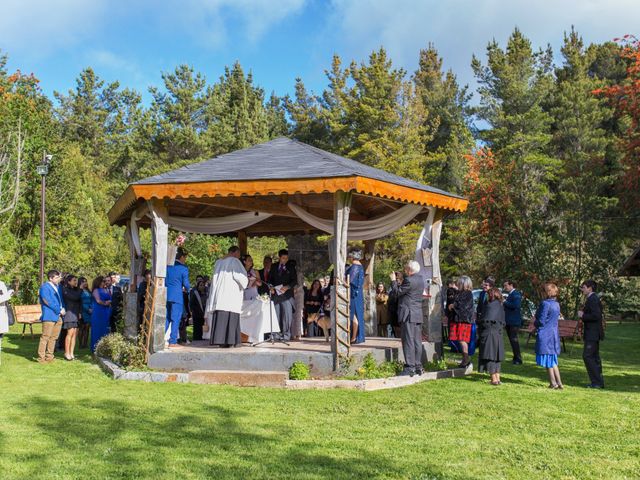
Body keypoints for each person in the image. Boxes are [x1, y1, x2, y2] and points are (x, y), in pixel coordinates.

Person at [205, 245, 248, 347]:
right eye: (238, 254)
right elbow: (241, 277)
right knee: (230, 316)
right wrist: (246, 280)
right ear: (236, 252)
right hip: (230, 295)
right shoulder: (234, 261)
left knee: (221, 317)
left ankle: (219, 340)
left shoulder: (218, 262)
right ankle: (230, 341)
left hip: (220, 296)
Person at [390, 260, 424, 376]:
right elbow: (407, 291)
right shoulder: (420, 279)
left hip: (408, 314)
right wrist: (401, 280)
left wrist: (393, 281)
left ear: (409, 270)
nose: (405, 271)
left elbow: (396, 293)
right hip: (417, 313)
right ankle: (418, 366)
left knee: (408, 341)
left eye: (406, 269)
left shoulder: (409, 280)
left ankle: (410, 367)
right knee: (417, 341)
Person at [534, 282, 563, 389]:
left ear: (547, 292)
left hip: (545, 334)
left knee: (548, 360)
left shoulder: (545, 304)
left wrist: (535, 323)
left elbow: (541, 320)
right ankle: (559, 383)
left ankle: (553, 383)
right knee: (553, 360)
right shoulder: (556, 304)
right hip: (553, 334)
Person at [579, 280, 605, 389]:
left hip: (593, 333)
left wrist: (583, 315)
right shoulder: (591, 298)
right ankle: (598, 381)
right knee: (594, 357)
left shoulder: (593, 299)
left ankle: (597, 382)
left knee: (588, 356)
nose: (582, 289)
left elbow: (596, 316)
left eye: (584, 287)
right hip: (592, 332)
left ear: (590, 288)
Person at [477, 287, 506, 385]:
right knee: (496, 357)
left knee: (490, 356)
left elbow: (485, 321)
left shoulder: (490, 306)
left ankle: (494, 379)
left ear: (492, 295)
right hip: (498, 334)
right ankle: (498, 378)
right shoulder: (500, 305)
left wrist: (479, 324)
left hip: (489, 333)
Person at [268, 249, 297, 341]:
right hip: (276, 294)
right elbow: (270, 279)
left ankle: (286, 335)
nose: (285, 260)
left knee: (286, 315)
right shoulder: (273, 266)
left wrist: (287, 287)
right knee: (276, 314)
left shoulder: (291, 267)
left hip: (287, 295)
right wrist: (271, 287)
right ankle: (276, 335)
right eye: (283, 258)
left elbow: (294, 281)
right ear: (279, 257)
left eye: (286, 258)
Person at [37, 270, 65, 363]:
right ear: (50, 278)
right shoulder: (45, 287)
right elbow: (47, 301)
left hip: (58, 316)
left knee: (54, 337)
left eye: (59, 277)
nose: (58, 279)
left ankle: (50, 356)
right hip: (49, 315)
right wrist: (58, 309)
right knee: (45, 337)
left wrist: (63, 308)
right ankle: (41, 357)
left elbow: (60, 300)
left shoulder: (58, 287)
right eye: (56, 277)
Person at [165, 249, 190, 348]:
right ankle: (173, 341)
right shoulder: (183, 268)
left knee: (167, 318)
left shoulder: (168, 267)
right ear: (182, 257)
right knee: (176, 318)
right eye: (185, 257)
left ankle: (159, 340)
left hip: (167, 295)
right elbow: (186, 284)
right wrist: (188, 290)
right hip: (177, 296)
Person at [449, 275, 474, 368]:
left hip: (464, 320)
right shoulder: (460, 293)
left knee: (462, 340)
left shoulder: (468, 293)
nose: (457, 284)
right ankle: (465, 359)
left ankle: (466, 359)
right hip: (458, 319)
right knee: (460, 340)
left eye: (459, 282)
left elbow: (464, 306)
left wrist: (453, 306)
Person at [346, 251, 366, 344]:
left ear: (351, 257)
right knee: (358, 314)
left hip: (353, 294)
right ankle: (357, 336)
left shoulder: (354, 267)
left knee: (353, 314)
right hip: (358, 294)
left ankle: (354, 337)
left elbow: (350, 280)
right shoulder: (361, 266)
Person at [61, 275, 82, 361]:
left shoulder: (76, 290)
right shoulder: (65, 289)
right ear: (69, 281)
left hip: (76, 313)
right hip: (69, 314)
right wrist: (80, 289)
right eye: (74, 280)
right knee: (69, 333)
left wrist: (80, 312)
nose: (76, 282)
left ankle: (71, 353)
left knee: (74, 334)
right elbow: (75, 297)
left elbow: (80, 301)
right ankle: (66, 353)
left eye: (76, 280)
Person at [503, 280, 523, 365]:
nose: (504, 287)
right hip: (509, 321)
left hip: (514, 321)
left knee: (514, 340)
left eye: (506, 285)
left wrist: (504, 301)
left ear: (511, 285)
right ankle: (515, 358)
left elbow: (516, 305)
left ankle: (518, 359)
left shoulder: (516, 294)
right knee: (512, 340)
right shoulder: (511, 294)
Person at [90, 276, 112, 352]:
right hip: (98, 311)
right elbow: (98, 301)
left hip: (106, 311)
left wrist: (109, 302)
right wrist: (106, 303)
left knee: (105, 328)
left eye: (105, 281)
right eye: (103, 281)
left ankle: (103, 347)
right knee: (97, 329)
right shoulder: (96, 290)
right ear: (99, 282)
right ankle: (95, 347)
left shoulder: (105, 289)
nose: (105, 282)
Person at [387, 271, 404, 338]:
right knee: (394, 330)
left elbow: (397, 294)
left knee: (399, 330)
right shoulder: (391, 290)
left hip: (398, 312)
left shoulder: (401, 288)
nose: (396, 281)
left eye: (397, 279)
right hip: (392, 312)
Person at [291, 260, 305, 340]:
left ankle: (299, 334)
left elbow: (301, 284)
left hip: (299, 294)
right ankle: (293, 333)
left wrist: (295, 289)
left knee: (299, 314)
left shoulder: (299, 273)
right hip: (292, 294)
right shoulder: (290, 272)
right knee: (292, 314)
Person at [79, 277, 92, 349]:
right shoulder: (79, 291)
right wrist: (87, 309)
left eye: (86, 281)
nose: (85, 283)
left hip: (90, 311)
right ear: (80, 283)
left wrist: (91, 308)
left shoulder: (88, 291)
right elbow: (80, 302)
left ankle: (85, 344)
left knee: (87, 328)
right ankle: (80, 344)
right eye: (84, 281)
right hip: (82, 310)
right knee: (81, 327)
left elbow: (91, 300)